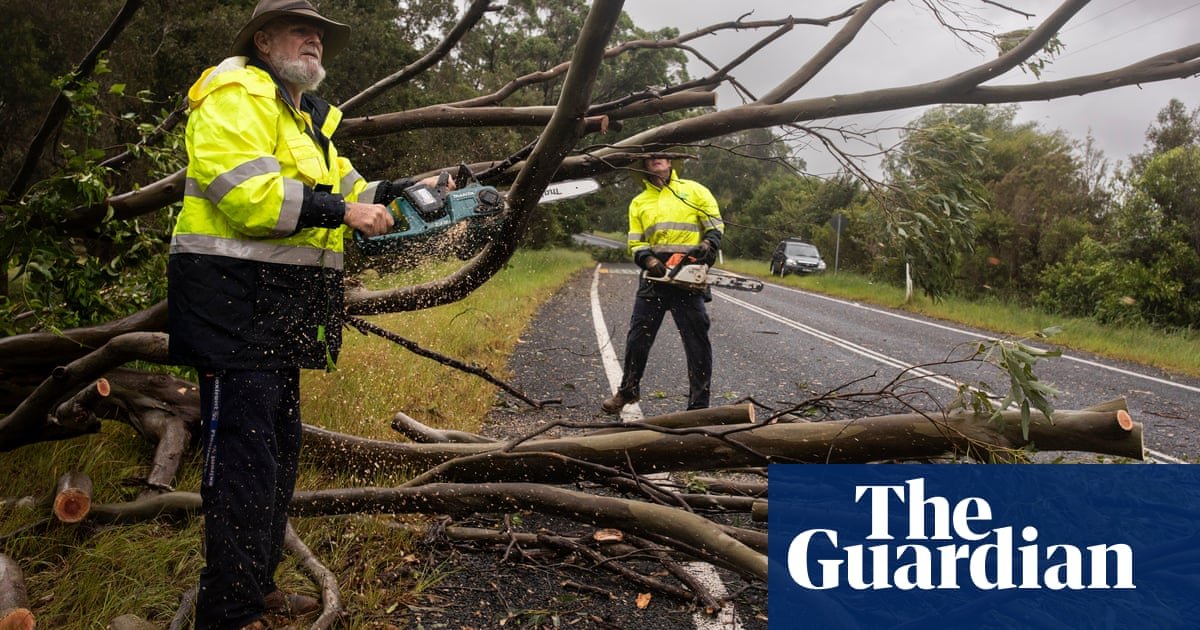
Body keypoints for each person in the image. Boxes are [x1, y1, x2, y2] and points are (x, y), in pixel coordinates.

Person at [167, 1, 450, 627]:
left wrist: (403, 194)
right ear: (264, 41)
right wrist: (342, 212)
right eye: (301, 32)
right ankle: (228, 611)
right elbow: (248, 197)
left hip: (278, 313)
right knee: (242, 465)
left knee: (276, 458)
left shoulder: (305, 118)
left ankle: (258, 586)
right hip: (231, 310)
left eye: (319, 35)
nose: (315, 42)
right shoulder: (235, 94)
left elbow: (349, 188)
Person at [601, 156, 724, 415]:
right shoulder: (639, 202)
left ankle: (699, 405)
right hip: (654, 279)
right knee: (638, 337)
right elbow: (636, 242)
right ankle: (628, 390)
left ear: (670, 161)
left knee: (697, 342)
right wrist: (648, 259)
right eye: (650, 157)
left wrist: (707, 245)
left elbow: (715, 227)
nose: (656, 159)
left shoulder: (695, 191)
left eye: (661, 155)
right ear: (644, 165)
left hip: (689, 276)